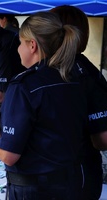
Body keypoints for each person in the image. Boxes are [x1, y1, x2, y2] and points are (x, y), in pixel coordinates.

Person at [0, 11, 86, 200]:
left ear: (32, 45)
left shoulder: (24, 86)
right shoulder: (73, 80)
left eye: (20, 43)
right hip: (71, 184)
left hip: (34, 189)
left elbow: (9, 155)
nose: (17, 50)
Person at [51, 5, 107, 199]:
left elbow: (102, 138)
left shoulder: (83, 75)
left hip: (76, 176)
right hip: (67, 175)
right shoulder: (86, 73)